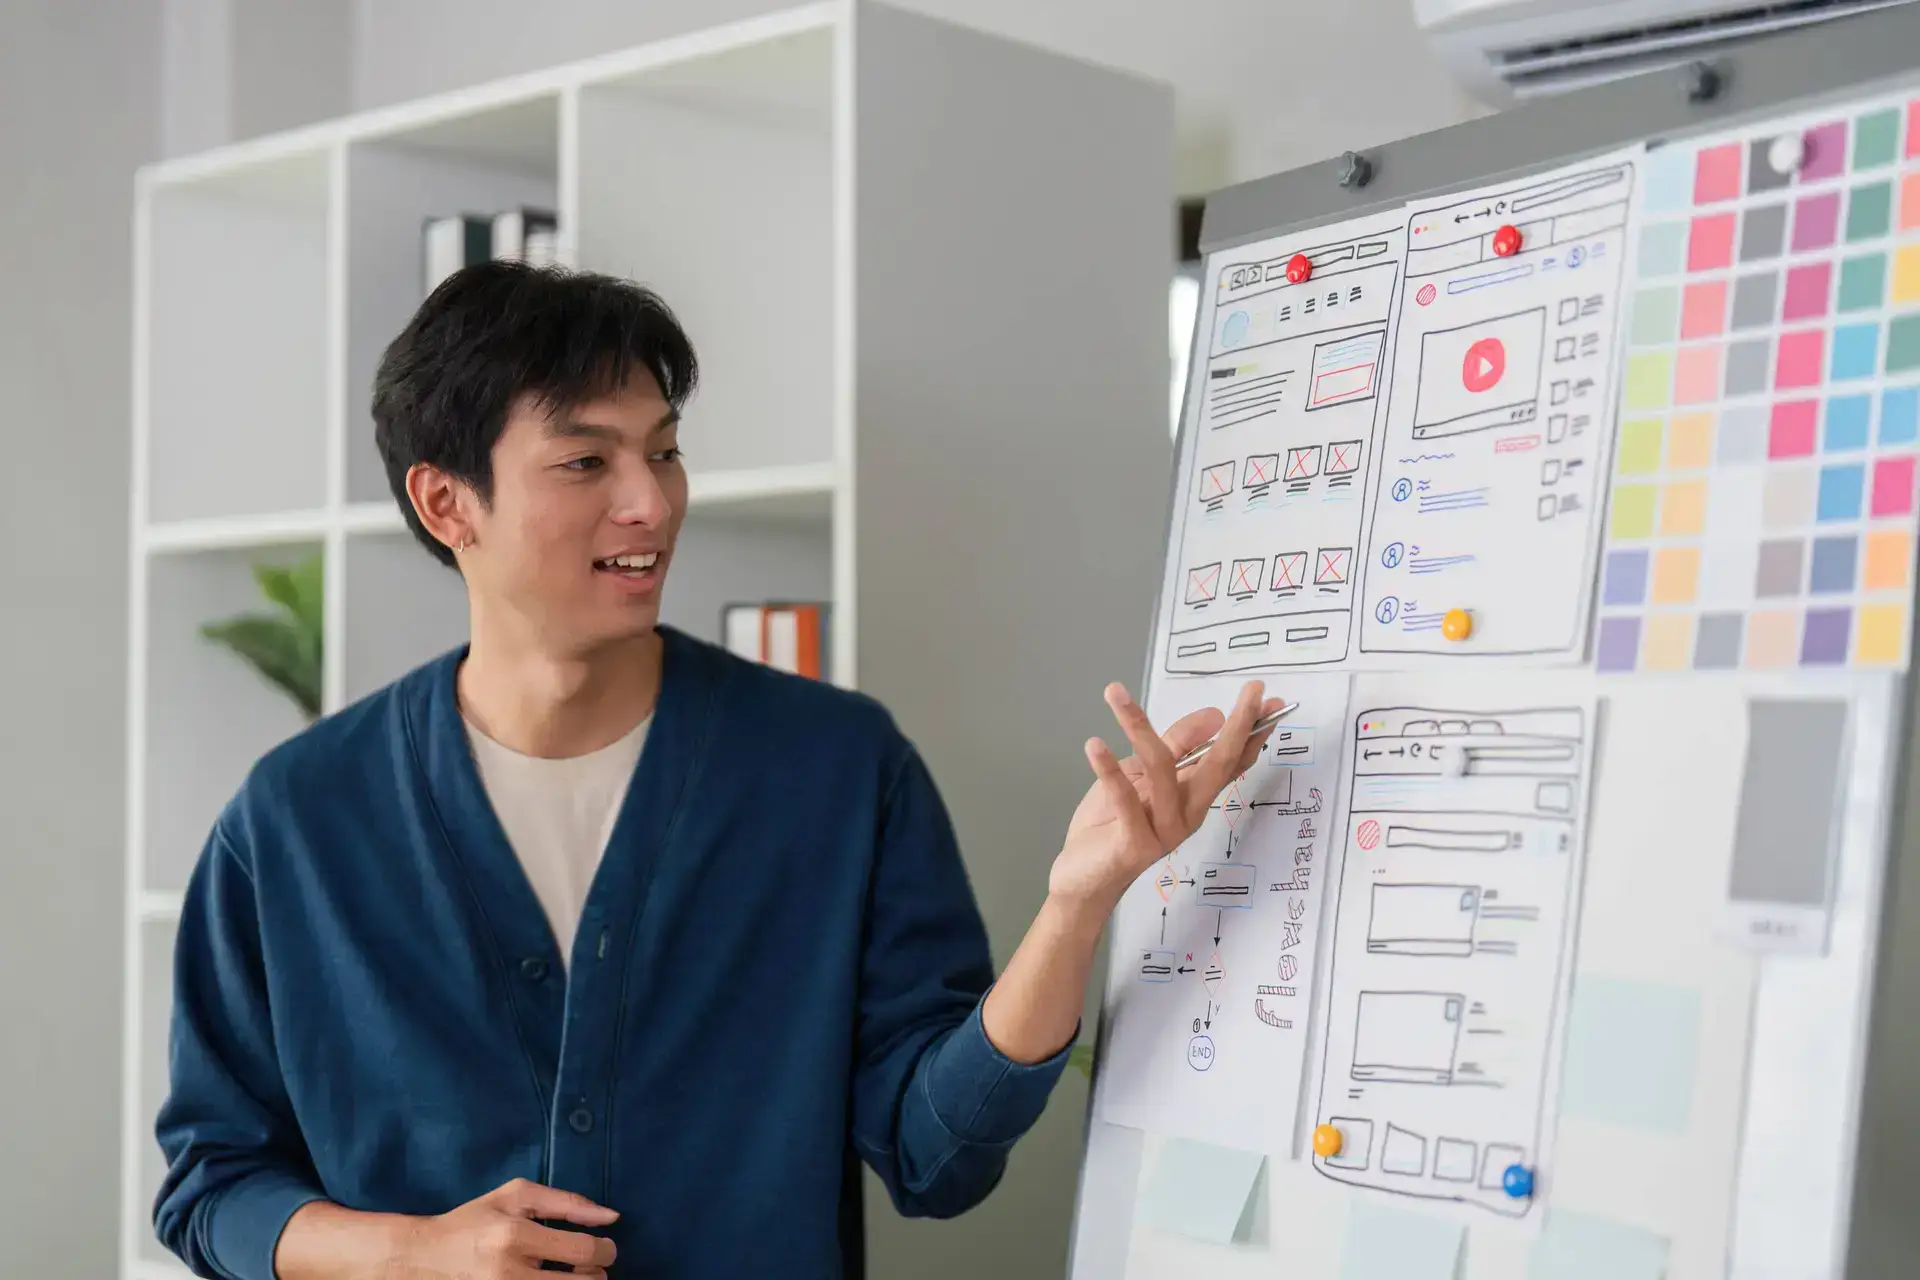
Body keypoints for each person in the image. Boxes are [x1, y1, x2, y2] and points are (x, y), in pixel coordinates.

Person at [152, 261, 1281, 1280]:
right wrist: (414, 1253)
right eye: (587, 459)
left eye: (665, 448)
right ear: (447, 502)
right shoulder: (295, 820)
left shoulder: (838, 770)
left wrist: (1075, 908)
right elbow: (213, 1182)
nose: (651, 501)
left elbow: (937, 1157)